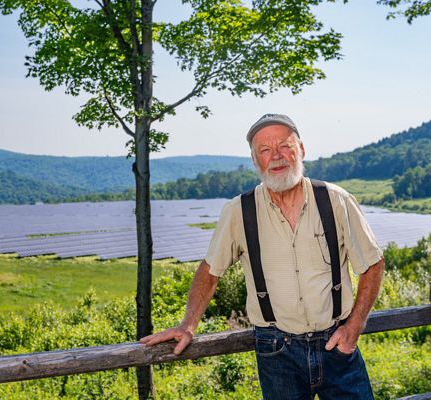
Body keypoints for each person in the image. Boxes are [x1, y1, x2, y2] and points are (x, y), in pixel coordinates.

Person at [140, 113, 385, 400]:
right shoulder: (239, 211)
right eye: (265, 150)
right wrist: (187, 325)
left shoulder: (335, 200)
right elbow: (210, 270)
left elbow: (372, 264)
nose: (277, 156)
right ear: (255, 161)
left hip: (337, 343)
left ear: (301, 149)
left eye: (284, 145)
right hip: (276, 350)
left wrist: (354, 327)